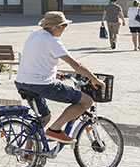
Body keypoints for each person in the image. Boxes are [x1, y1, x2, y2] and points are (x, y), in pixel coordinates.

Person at [15, 11, 106, 144]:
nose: (64, 30)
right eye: (64, 26)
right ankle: (55, 129)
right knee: (86, 101)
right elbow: (76, 65)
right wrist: (94, 79)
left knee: (44, 117)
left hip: (22, 83)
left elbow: (36, 58)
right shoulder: (52, 41)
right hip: (42, 85)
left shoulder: (35, 34)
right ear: (57, 27)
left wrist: (54, 73)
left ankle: (28, 153)